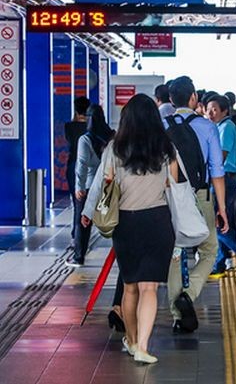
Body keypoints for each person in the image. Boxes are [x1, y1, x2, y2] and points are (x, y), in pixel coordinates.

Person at [92, 94, 178, 364]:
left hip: (126, 224)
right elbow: (173, 184)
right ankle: (142, 345)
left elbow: (106, 185)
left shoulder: (115, 148)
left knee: (130, 287)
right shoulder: (165, 147)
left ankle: (131, 340)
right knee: (149, 288)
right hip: (157, 221)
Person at [164, 77, 229, 333]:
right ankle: (188, 296)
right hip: (201, 196)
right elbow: (217, 171)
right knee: (210, 249)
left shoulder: (162, 125)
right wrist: (221, 208)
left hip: (169, 197)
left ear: (171, 100)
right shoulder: (207, 127)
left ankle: (177, 316)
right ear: (193, 98)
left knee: (175, 253)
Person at [67, 104, 114, 267]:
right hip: (109, 184)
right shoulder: (112, 136)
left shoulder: (85, 139)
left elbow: (81, 164)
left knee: (82, 222)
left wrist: (78, 186)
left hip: (88, 185)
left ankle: (78, 257)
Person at [206, 95, 236, 277]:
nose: (210, 113)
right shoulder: (218, 127)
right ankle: (219, 261)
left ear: (225, 110)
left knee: (218, 224)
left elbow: (221, 157)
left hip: (224, 179)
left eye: (214, 109)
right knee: (218, 223)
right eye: (208, 109)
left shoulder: (226, 128)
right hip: (223, 178)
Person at [66, 96, 90, 248]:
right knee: (86, 202)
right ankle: (82, 234)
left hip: (72, 165)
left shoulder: (69, 126)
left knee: (76, 202)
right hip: (89, 167)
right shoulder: (91, 127)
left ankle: (76, 235)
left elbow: (69, 141)